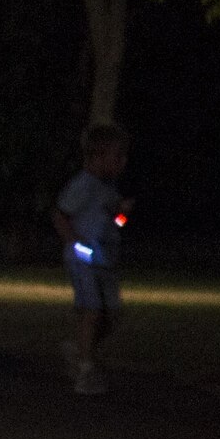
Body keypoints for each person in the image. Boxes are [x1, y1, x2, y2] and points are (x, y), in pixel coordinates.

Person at [55, 124, 132, 396]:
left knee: (111, 315)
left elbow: (116, 225)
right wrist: (76, 245)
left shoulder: (109, 189)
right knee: (92, 310)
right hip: (85, 259)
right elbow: (60, 215)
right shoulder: (83, 185)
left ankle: (79, 349)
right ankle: (86, 369)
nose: (122, 162)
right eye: (116, 156)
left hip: (106, 260)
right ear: (97, 157)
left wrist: (122, 214)